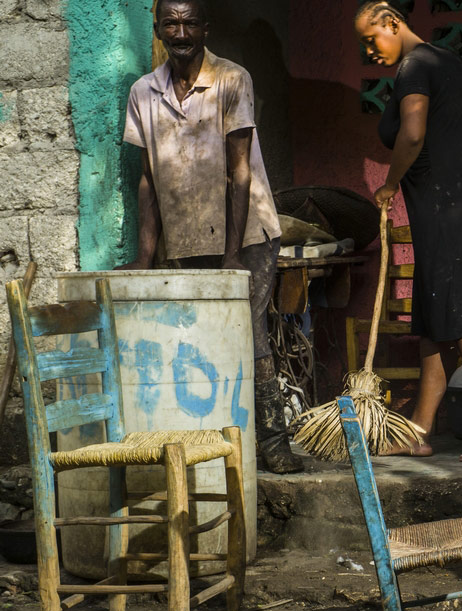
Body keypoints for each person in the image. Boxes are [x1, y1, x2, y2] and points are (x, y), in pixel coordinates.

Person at [118, 0, 302, 474]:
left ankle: (274, 447)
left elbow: (239, 172)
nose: (181, 32)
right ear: (158, 29)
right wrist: (144, 256)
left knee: (250, 335)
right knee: (193, 342)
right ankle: (212, 448)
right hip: (183, 237)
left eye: (190, 23)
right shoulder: (143, 91)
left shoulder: (231, 78)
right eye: (171, 23)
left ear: (205, 28)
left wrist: (233, 254)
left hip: (246, 236)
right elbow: (148, 178)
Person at [353, 1, 462, 463]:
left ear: (393, 23)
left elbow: (411, 133)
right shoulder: (450, 61)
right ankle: (418, 431)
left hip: (448, 206)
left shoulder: (413, 67)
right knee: (438, 322)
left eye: (372, 39)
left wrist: (390, 184)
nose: (370, 50)